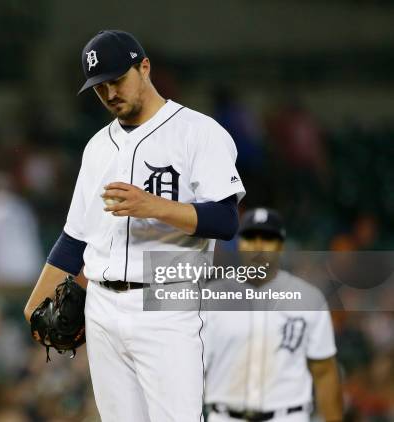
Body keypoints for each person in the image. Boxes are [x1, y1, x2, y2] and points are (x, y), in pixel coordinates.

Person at [24, 29, 245, 422]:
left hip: (167, 305)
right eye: (99, 87)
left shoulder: (199, 133)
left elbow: (225, 220)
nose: (109, 93)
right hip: (102, 306)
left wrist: (153, 206)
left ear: (144, 67)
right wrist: (32, 307)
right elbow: (75, 237)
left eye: (117, 80)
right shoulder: (96, 147)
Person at [203, 208, 343, 422]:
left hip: (288, 416)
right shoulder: (212, 297)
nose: (258, 246)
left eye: (268, 238)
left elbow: (324, 371)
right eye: (250, 237)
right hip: (225, 416)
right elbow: (192, 367)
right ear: (239, 243)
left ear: (281, 245)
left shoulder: (309, 298)